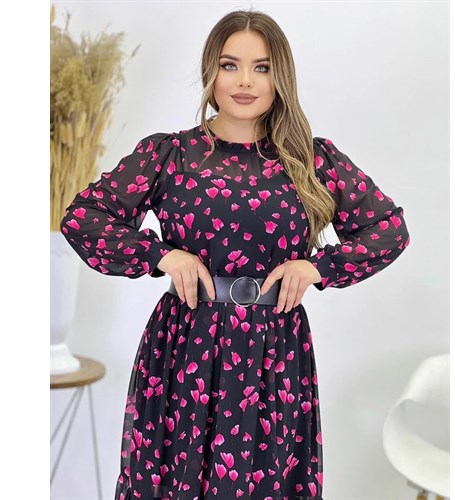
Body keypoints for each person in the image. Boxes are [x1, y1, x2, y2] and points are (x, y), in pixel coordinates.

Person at [60, 8, 410, 500]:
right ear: (211, 72)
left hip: (274, 354)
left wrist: (317, 267)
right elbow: (83, 217)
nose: (245, 80)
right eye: (230, 65)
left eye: (261, 67)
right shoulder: (170, 155)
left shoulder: (312, 160)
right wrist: (161, 255)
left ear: (280, 77)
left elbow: (388, 229)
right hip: (184, 347)